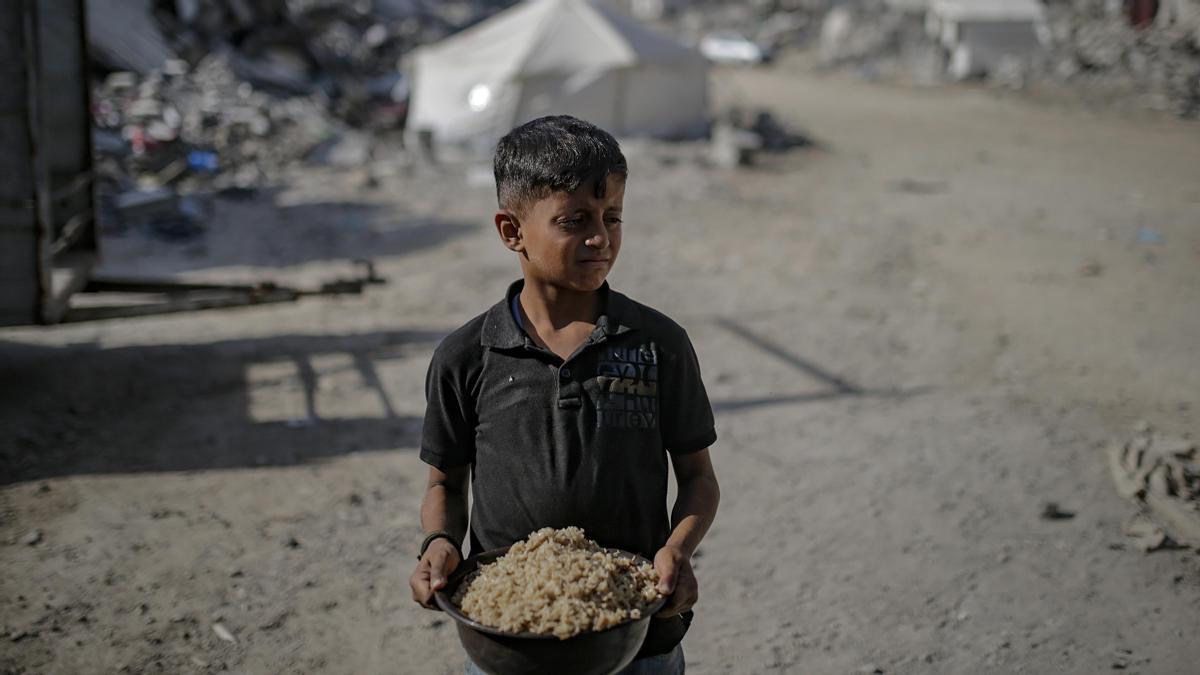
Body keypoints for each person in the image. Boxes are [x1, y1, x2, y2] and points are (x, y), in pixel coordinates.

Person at [408, 115, 721, 674]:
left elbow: (698, 477)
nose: (600, 237)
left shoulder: (658, 345)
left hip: (636, 627)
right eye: (574, 221)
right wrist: (439, 540)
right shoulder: (466, 357)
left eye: (612, 217)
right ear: (512, 232)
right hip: (513, 636)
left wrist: (678, 550)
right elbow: (444, 482)